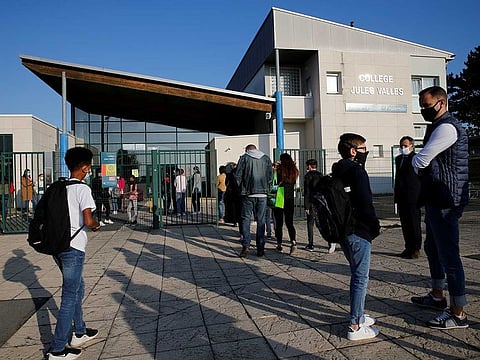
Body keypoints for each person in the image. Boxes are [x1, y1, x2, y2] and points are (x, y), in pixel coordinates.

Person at [411, 86, 469, 329]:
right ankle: (437, 296)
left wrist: (412, 159)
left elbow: (422, 159)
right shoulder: (437, 126)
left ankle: (458, 312)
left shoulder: (447, 127)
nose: (424, 110)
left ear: (442, 103)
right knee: (432, 247)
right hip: (437, 197)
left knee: (449, 255)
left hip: (447, 199)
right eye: (421, 106)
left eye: (427, 106)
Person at [47, 146, 101, 360]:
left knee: (79, 286)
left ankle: (79, 331)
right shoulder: (82, 189)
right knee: (70, 295)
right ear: (85, 167)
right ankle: (57, 349)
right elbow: (88, 220)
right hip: (73, 248)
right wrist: (96, 225)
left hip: (58, 246)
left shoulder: (60, 187)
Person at [332, 133, 380, 341]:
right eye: (362, 149)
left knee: (356, 273)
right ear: (353, 151)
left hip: (343, 231)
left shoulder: (337, 170)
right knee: (361, 278)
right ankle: (355, 325)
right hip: (359, 230)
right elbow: (365, 203)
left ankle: (359, 314)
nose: (365, 153)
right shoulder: (358, 172)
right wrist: (373, 227)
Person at [234, 144, 273, 257]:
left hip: (248, 193)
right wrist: (266, 186)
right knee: (261, 221)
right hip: (263, 194)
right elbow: (270, 176)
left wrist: (241, 188)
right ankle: (260, 248)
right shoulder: (266, 158)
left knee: (245, 219)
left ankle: (246, 245)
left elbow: (237, 175)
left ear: (247, 150)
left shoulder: (244, 158)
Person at [394, 136, 422, 259]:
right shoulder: (399, 159)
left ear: (412, 146)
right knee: (405, 223)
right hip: (402, 195)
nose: (403, 148)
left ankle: (416, 248)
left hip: (413, 195)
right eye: (401, 146)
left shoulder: (416, 158)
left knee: (414, 223)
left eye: (405, 146)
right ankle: (408, 246)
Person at [303, 158, 336, 253]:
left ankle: (311, 244)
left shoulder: (308, 176)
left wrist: (306, 206)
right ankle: (330, 242)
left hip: (312, 202)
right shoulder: (321, 175)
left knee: (310, 223)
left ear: (309, 166)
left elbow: (307, 192)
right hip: (321, 202)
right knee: (324, 222)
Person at [273, 153, 299, 255]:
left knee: (279, 223)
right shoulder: (294, 171)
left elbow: (274, 180)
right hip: (290, 197)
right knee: (290, 222)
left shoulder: (279, 170)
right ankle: (293, 241)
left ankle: (279, 244)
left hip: (280, 195)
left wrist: (275, 166)